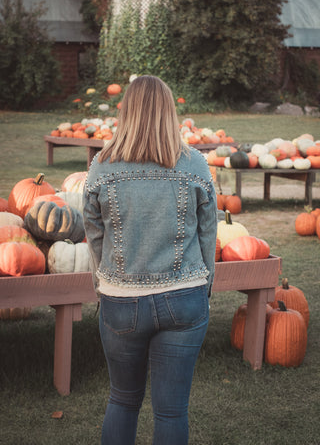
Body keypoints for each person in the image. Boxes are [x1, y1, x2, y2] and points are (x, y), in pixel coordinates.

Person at [83, 75, 217, 445]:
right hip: (185, 299)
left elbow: (94, 237)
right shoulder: (195, 165)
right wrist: (204, 289)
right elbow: (208, 236)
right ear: (168, 113)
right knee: (172, 411)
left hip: (120, 301)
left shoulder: (100, 167)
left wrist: (103, 285)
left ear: (127, 112)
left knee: (123, 401)